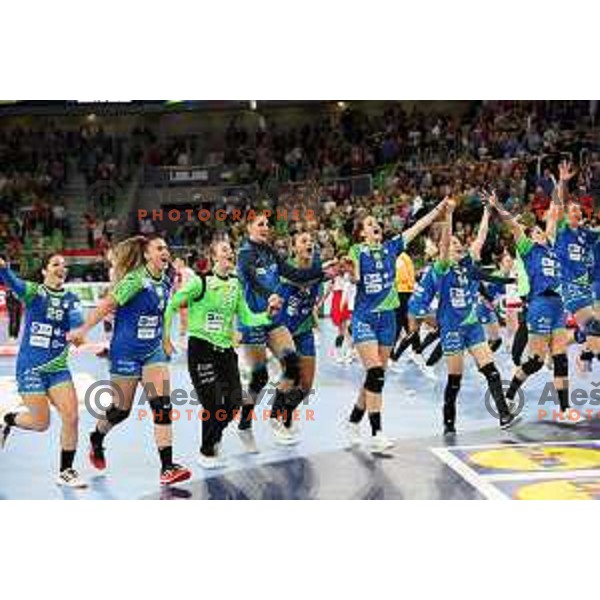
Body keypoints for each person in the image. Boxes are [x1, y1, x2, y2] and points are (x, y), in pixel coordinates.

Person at [67, 235, 191, 486]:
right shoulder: (135, 280)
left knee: (163, 406)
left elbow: (163, 312)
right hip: (125, 352)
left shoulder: (167, 279)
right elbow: (106, 305)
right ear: (146, 255)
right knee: (121, 411)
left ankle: (167, 467)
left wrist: (165, 338)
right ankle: (97, 438)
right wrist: (82, 331)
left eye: (166, 248)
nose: (164, 252)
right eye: (159, 248)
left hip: (153, 352)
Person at [345, 197, 449, 451]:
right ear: (362, 233)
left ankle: (353, 421)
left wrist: (439, 208)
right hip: (364, 319)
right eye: (369, 224)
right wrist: (352, 273)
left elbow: (418, 226)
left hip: (388, 320)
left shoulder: (392, 247)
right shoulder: (357, 251)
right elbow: (355, 273)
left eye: (375, 222)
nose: (375, 225)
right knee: (376, 374)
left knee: (376, 376)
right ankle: (377, 432)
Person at [164, 240, 269, 468]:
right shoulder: (199, 283)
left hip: (225, 352)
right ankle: (207, 451)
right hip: (201, 349)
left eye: (231, 249)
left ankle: (213, 439)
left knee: (233, 403)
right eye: (224, 250)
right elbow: (172, 305)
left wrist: (268, 315)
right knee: (211, 404)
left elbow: (248, 317)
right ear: (213, 257)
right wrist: (165, 339)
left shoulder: (235, 284)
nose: (230, 252)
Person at [236, 214, 334, 448]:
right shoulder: (245, 254)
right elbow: (252, 281)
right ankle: (244, 424)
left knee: (293, 364)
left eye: (267, 224)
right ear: (249, 227)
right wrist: (268, 295)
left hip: (273, 321)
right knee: (260, 378)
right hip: (252, 321)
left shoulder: (270, 252)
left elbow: (296, 274)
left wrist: (323, 274)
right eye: (260, 224)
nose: (265, 227)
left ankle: (276, 419)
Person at [488, 191, 579, 422]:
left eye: (542, 231)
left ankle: (565, 409)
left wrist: (559, 184)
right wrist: (498, 206)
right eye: (537, 231)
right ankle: (509, 393)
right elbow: (514, 226)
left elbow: (554, 214)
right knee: (537, 361)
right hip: (539, 303)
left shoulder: (552, 249)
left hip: (557, 304)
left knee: (560, 357)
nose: (542, 232)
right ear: (531, 238)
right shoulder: (529, 251)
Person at [0, 254, 87, 488]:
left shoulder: (71, 299)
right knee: (41, 424)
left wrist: (78, 335)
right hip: (31, 368)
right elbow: (11, 281)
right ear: (44, 271)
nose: (62, 268)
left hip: (57, 368)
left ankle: (65, 470)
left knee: (72, 417)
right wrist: (4, 268)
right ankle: (8, 419)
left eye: (64, 266)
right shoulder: (34, 292)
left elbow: (78, 327)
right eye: (55, 264)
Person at [433, 199, 515, 434]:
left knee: (491, 370)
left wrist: (487, 211)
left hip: (472, 327)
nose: (458, 245)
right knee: (455, 379)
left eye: (460, 243)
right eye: (454, 243)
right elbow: (445, 241)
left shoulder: (469, 263)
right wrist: (448, 215)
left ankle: (504, 415)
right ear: (446, 249)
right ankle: (449, 422)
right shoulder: (443, 267)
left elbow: (480, 236)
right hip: (452, 328)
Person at [552, 161, 600, 370]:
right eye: (573, 211)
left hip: (585, 288)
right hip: (569, 286)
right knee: (594, 327)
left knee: (590, 330)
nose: (577, 213)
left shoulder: (584, 234)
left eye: (579, 211)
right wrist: (562, 182)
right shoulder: (563, 230)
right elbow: (558, 206)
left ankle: (562, 350)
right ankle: (584, 355)